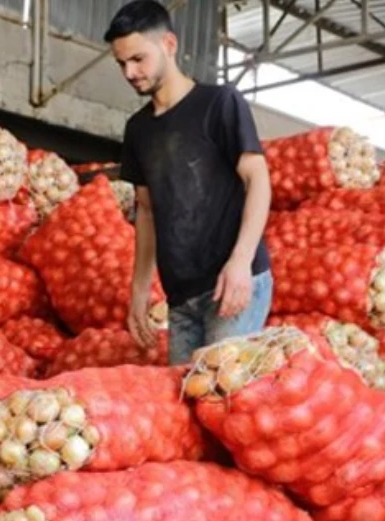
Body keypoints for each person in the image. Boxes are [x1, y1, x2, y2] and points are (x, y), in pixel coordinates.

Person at [105, 0, 274, 365]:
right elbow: (146, 212)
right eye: (121, 63)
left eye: (138, 59)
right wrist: (139, 290)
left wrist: (241, 261)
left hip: (232, 281)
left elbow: (258, 179)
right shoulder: (138, 129)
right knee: (186, 395)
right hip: (181, 298)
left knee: (218, 389)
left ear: (169, 44)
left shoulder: (220, 103)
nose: (130, 72)